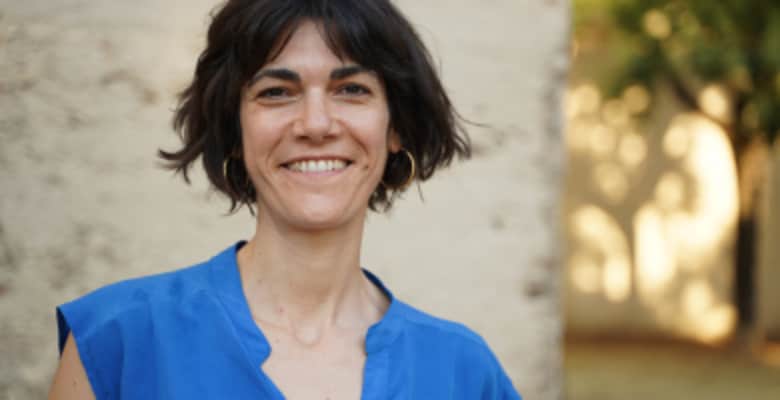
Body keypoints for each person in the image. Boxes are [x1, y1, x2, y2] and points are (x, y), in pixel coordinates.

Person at [48, 0, 522, 399]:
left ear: (395, 128)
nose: (316, 124)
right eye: (276, 92)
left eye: (351, 90)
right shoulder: (119, 340)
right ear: (234, 130)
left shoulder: (463, 372)